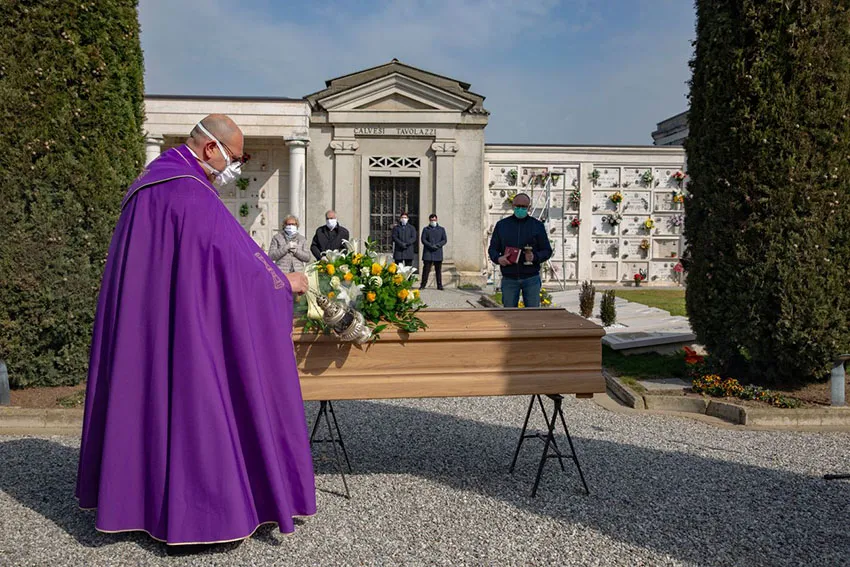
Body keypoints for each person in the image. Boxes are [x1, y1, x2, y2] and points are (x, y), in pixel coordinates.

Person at [76, 114, 316, 547]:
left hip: (144, 325)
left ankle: (136, 503)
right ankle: (203, 517)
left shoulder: (148, 183)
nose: (234, 167)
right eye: (234, 158)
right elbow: (235, 264)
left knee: (145, 402)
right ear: (210, 148)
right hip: (186, 327)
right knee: (195, 408)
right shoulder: (190, 192)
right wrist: (282, 283)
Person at [488, 192, 552, 308]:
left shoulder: (537, 226)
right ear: (513, 206)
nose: (520, 209)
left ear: (529, 208)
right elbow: (493, 249)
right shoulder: (502, 225)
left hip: (531, 277)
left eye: (524, 207)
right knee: (509, 314)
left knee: (532, 312)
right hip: (509, 277)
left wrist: (534, 257)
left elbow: (547, 250)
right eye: (518, 206)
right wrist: (498, 259)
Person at [420, 213, 447, 290]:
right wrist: (430, 245)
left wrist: (438, 245)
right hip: (428, 253)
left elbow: (444, 240)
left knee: (438, 270)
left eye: (434, 220)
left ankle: (439, 285)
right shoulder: (426, 229)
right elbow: (423, 239)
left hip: (437, 252)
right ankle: (423, 285)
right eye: (432, 220)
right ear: (429, 220)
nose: (433, 221)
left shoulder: (441, 229)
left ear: (436, 219)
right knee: (426, 270)